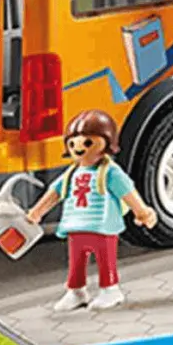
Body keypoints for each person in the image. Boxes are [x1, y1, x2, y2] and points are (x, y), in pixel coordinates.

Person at [25, 109, 157, 312]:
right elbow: (54, 193)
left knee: (106, 261)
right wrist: (37, 211)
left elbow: (128, 192)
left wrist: (142, 211)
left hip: (103, 225)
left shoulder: (110, 172)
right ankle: (76, 291)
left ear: (106, 143)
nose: (79, 148)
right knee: (76, 262)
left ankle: (110, 289)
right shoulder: (72, 173)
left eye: (87, 142)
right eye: (73, 143)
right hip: (76, 223)